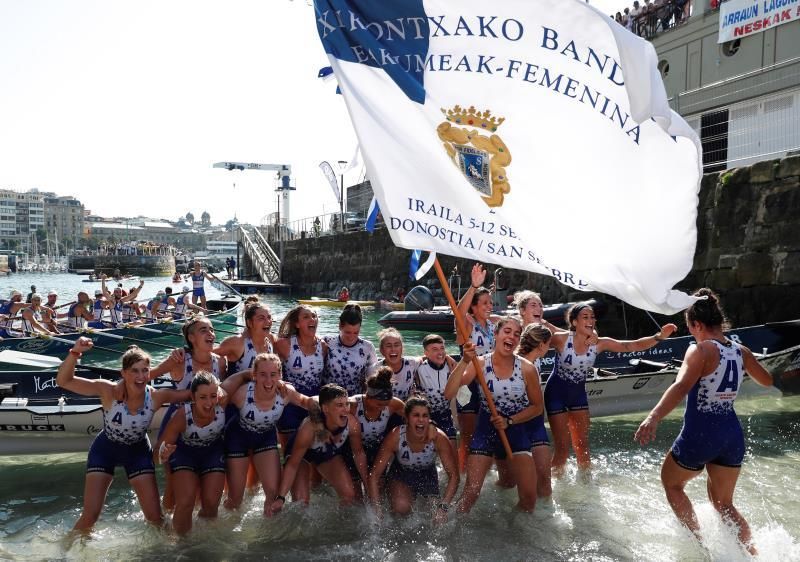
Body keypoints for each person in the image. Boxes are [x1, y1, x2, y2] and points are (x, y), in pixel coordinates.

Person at [635, 289, 773, 556]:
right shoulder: (740, 350)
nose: (692, 332)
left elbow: (680, 386)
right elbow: (766, 380)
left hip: (701, 434)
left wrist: (653, 418)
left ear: (697, 324)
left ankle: (701, 549)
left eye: (691, 327)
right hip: (731, 435)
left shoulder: (699, 350)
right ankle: (753, 555)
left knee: (672, 483)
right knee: (725, 505)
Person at [55, 338, 189, 531]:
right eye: (134, 371)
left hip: (137, 452)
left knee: (156, 519)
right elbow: (64, 381)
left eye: (145, 370)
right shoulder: (108, 390)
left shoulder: (157, 396)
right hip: (105, 450)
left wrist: (218, 387)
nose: (141, 376)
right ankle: (66, 553)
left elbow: (192, 393)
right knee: (90, 517)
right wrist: (75, 352)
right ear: (123, 374)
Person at [546, 302, 677, 474]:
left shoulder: (600, 343)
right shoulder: (561, 339)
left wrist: (658, 337)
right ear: (574, 322)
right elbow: (534, 339)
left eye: (592, 317)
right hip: (555, 394)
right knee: (562, 448)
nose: (590, 320)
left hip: (577, 395)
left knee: (582, 447)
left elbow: (631, 346)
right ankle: (552, 487)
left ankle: (586, 487)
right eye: (585, 317)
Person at [444, 317, 543, 513]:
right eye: (507, 331)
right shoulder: (479, 363)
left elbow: (538, 407)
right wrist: (464, 361)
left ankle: (511, 530)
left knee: (529, 498)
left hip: (515, 430)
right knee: (470, 494)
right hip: (486, 429)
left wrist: (510, 420)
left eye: (516, 334)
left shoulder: (527, 368)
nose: (511, 337)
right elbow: (449, 393)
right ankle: (450, 530)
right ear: (495, 335)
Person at [224, 353, 316, 514]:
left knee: (273, 495)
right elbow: (219, 401)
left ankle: (268, 534)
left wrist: (329, 406)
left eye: (273, 375)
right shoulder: (242, 393)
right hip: (237, 440)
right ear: (254, 375)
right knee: (235, 500)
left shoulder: (285, 392)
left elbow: (304, 401)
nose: (268, 381)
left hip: (264, 439)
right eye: (263, 375)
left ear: (280, 375)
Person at [269, 383, 371, 511]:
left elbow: (359, 454)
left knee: (349, 496)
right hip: (302, 456)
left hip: (324, 454)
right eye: (339, 405)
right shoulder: (308, 428)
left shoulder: (352, 424)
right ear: (325, 408)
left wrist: (367, 485)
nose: (346, 409)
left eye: (347, 404)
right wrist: (281, 498)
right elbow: (292, 465)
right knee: (301, 503)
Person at [157, 371, 228, 535]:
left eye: (212, 396)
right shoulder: (182, 415)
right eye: (202, 397)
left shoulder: (223, 403)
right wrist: (163, 454)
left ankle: (203, 539)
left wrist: (248, 374)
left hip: (212, 453)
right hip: (185, 454)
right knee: (186, 502)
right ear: (193, 398)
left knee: (211, 504)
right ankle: (181, 543)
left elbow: (236, 379)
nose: (209, 402)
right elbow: (157, 453)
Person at [369, 396, 459, 523]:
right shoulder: (396, 436)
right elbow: (374, 475)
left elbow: (454, 476)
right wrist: (376, 510)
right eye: (416, 415)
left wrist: (443, 507)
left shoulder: (438, 438)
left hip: (427, 475)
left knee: (432, 516)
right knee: (401, 509)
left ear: (429, 419)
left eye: (425, 415)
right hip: (401, 474)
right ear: (406, 418)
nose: (421, 420)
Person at [274, 305, 328, 496]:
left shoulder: (323, 346)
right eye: (306, 317)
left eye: (314, 316)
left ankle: (314, 491)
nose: (312, 319)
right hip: (290, 404)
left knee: (314, 453)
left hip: (313, 403)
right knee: (292, 455)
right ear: (297, 323)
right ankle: (288, 493)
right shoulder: (284, 344)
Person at [454, 264, 499, 472]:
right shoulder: (467, 324)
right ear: (473, 307)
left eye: (491, 302)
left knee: (489, 431)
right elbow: (458, 313)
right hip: (468, 385)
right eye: (484, 303)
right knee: (468, 436)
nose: (490, 305)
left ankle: (483, 472)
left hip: (489, 383)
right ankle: (463, 473)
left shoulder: (493, 325)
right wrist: (473, 287)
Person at [516, 323, 554, 498]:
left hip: (537, 423)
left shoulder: (536, 362)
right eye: (548, 344)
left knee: (545, 480)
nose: (550, 347)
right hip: (517, 424)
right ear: (541, 345)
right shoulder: (512, 363)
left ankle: (545, 518)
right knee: (515, 482)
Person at [349, 367, 406, 469]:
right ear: (368, 397)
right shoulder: (353, 405)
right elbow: (322, 403)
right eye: (379, 404)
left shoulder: (394, 404)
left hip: (377, 447)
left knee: (379, 482)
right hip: (351, 448)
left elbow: (413, 417)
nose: (383, 408)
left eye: (386, 404)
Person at [414, 334, 458, 449]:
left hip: (446, 416)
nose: (440, 353)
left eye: (442, 348)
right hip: (426, 417)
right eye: (434, 349)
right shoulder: (418, 368)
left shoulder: (451, 367)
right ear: (426, 353)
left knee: (452, 451)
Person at [323, 304, 378, 396]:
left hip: (354, 399)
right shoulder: (327, 342)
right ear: (340, 326)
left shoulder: (368, 347)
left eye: (356, 332)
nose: (351, 337)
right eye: (347, 332)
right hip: (329, 397)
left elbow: (373, 377)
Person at [216, 301, 275, 376]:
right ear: (249, 322)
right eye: (261, 318)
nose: (268, 321)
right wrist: (222, 372)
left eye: (269, 317)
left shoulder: (271, 339)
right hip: (239, 387)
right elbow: (206, 355)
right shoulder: (238, 342)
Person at [372, 328, 420, 402]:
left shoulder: (412, 363)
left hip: (406, 409)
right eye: (388, 346)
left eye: (396, 345)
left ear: (402, 348)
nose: (393, 349)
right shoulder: (374, 370)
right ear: (381, 350)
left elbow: (425, 357)